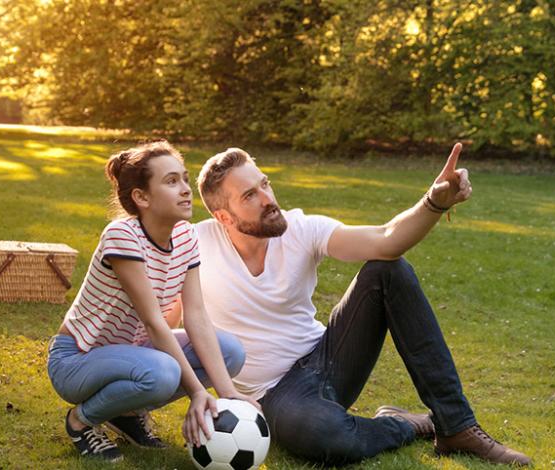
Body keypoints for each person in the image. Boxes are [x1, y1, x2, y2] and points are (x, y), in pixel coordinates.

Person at [193, 144, 532, 466]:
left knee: (388, 268)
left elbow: (386, 239)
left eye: (264, 183)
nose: (268, 199)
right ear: (224, 217)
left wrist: (434, 202)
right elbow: (169, 319)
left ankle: (456, 426)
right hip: (276, 395)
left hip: (329, 358)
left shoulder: (301, 228)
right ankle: (408, 425)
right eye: (250, 195)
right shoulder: (197, 245)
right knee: (322, 434)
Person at [47, 141, 258, 463]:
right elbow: (153, 322)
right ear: (141, 198)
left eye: (185, 179)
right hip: (76, 361)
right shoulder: (122, 236)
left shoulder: (186, 237)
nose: (186, 190)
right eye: (171, 181)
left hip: (133, 355)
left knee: (230, 351)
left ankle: (126, 412)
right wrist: (199, 391)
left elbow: (197, 315)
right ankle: (81, 420)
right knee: (162, 372)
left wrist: (227, 391)